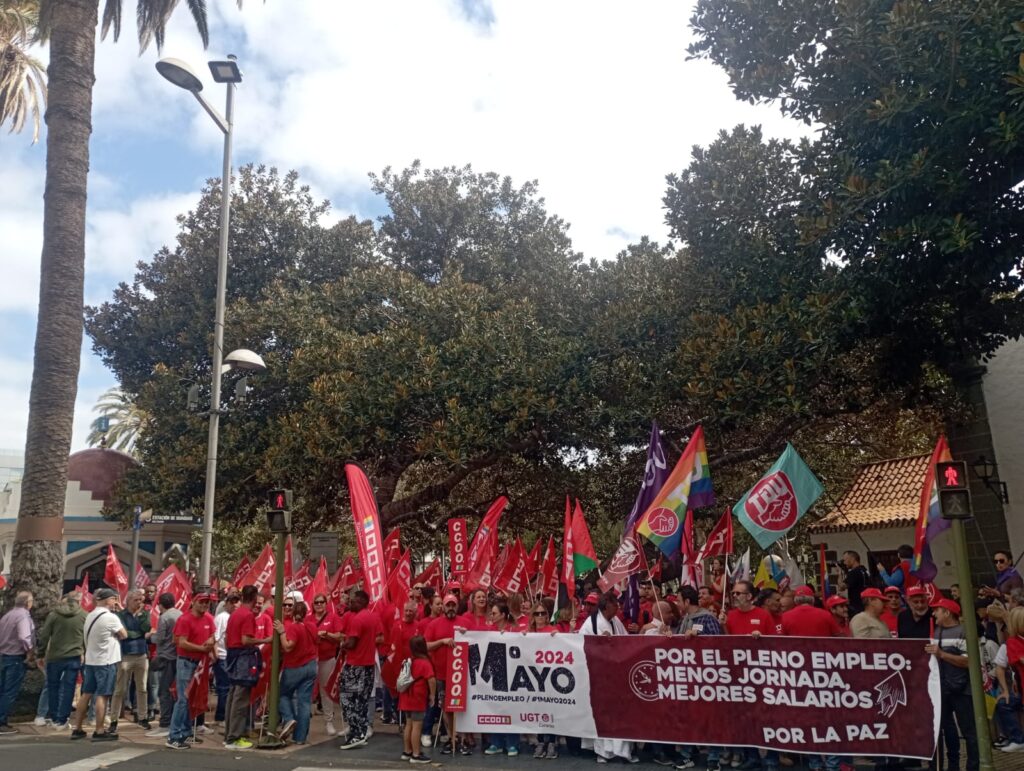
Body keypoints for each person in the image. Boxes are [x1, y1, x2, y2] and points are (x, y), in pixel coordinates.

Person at [581, 592, 636, 764]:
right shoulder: (591, 624)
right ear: (606, 606)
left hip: (617, 675)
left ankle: (621, 751)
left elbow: (625, 641)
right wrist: (600, 643)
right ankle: (604, 752)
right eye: (615, 605)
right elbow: (581, 644)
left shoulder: (616, 621)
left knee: (620, 714)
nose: (618, 608)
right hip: (599, 676)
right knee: (603, 715)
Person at [925, 598, 979, 771]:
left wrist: (941, 654)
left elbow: (969, 661)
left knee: (969, 733)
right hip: (943, 690)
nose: (933, 613)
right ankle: (951, 766)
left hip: (963, 691)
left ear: (947, 612)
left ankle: (973, 767)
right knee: (942, 730)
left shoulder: (964, 631)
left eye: (937, 610)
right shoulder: (937, 631)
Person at [71, 588, 126, 742]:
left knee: (86, 693)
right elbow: (124, 634)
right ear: (107, 600)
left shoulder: (90, 615)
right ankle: (99, 730)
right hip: (105, 661)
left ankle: (77, 728)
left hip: (91, 660)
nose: (116, 602)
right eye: (114, 599)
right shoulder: (111, 617)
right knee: (103, 695)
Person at [166, 592, 215, 751]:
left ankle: (185, 731)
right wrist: (202, 648)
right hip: (186, 662)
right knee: (183, 699)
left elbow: (213, 634)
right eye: (202, 602)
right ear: (193, 602)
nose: (204, 605)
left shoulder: (208, 618)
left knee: (191, 697)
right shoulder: (185, 619)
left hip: (200, 663)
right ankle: (174, 735)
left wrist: (211, 643)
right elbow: (180, 642)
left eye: (207, 602)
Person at [223, 584, 267, 750]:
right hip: (242, 657)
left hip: (233, 656)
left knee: (233, 696)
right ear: (255, 598)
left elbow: (227, 638)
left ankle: (229, 734)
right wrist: (265, 641)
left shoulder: (235, 614)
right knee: (240, 699)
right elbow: (246, 640)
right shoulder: (247, 615)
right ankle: (234, 737)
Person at [36, 590, 86, 730]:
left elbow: (45, 635)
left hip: (55, 656)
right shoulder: (83, 615)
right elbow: (86, 637)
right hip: (74, 656)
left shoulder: (54, 615)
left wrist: (40, 654)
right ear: (79, 601)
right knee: (69, 688)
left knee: (53, 687)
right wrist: (84, 652)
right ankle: (63, 719)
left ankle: (53, 717)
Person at [339, 589, 380, 750]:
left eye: (354, 600)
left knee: (349, 699)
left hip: (356, 665)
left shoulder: (357, 619)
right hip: (368, 665)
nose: (351, 603)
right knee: (362, 700)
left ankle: (356, 734)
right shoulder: (372, 617)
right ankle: (362, 732)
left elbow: (352, 642)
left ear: (362, 602)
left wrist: (343, 645)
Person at [274, 599, 318, 744]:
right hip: (311, 666)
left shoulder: (293, 627)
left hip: (294, 667)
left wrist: (281, 633)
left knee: (282, 694)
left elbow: (288, 646)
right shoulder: (311, 626)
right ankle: (300, 738)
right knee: (304, 702)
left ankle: (289, 719)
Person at [109, 589, 151, 732]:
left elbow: (146, 629)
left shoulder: (144, 614)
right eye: (136, 600)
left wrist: (140, 618)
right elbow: (123, 634)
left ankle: (143, 717)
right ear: (128, 601)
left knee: (142, 688)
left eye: (141, 600)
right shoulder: (120, 615)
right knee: (120, 689)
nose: (139, 603)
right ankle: (113, 719)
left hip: (141, 655)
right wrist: (138, 634)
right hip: (125, 655)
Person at [423, 593, 459, 752]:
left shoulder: (464, 623)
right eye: (448, 605)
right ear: (443, 607)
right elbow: (426, 646)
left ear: (457, 606)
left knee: (459, 708)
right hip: (441, 674)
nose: (450, 608)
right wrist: (442, 641)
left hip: (460, 674)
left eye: (453, 605)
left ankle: (459, 737)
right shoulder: (434, 624)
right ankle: (452, 737)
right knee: (445, 707)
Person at [145, 592, 181, 738]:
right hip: (177, 656)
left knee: (164, 691)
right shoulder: (180, 614)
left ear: (160, 605)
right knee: (172, 691)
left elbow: (159, 639)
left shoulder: (164, 617)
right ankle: (170, 720)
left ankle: (165, 724)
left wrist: (149, 636)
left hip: (166, 656)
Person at [0, 591, 35, 734]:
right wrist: (30, 651)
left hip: (4, 655)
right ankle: (1, 721)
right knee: (9, 691)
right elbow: (24, 636)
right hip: (15, 657)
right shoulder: (23, 616)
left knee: (3, 690)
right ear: (28, 603)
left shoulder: (8, 615)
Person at [310, 591, 343, 736]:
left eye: (321, 602)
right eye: (316, 603)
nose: (319, 605)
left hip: (327, 659)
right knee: (307, 691)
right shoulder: (308, 619)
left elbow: (340, 636)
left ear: (326, 604)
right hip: (310, 659)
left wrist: (327, 634)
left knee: (326, 691)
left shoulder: (333, 617)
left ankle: (329, 721)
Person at [400, 635, 436, 764]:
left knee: (408, 724)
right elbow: (431, 680)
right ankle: (416, 754)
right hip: (417, 697)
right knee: (417, 726)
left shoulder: (408, 661)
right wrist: (432, 695)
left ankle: (407, 751)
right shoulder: (425, 663)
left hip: (406, 696)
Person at [212, 592, 238, 728]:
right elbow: (215, 637)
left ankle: (224, 715)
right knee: (224, 688)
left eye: (236, 602)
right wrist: (216, 654)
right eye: (231, 602)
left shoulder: (234, 617)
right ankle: (221, 716)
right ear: (226, 603)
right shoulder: (222, 618)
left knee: (228, 688)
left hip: (230, 657)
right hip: (222, 656)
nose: (234, 605)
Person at [841, 551, 870, 615]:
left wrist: (839, 573)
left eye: (845, 560)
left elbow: (842, 587)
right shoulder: (864, 570)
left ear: (853, 559)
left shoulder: (854, 572)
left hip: (856, 607)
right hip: (866, 605)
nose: (844, 563)